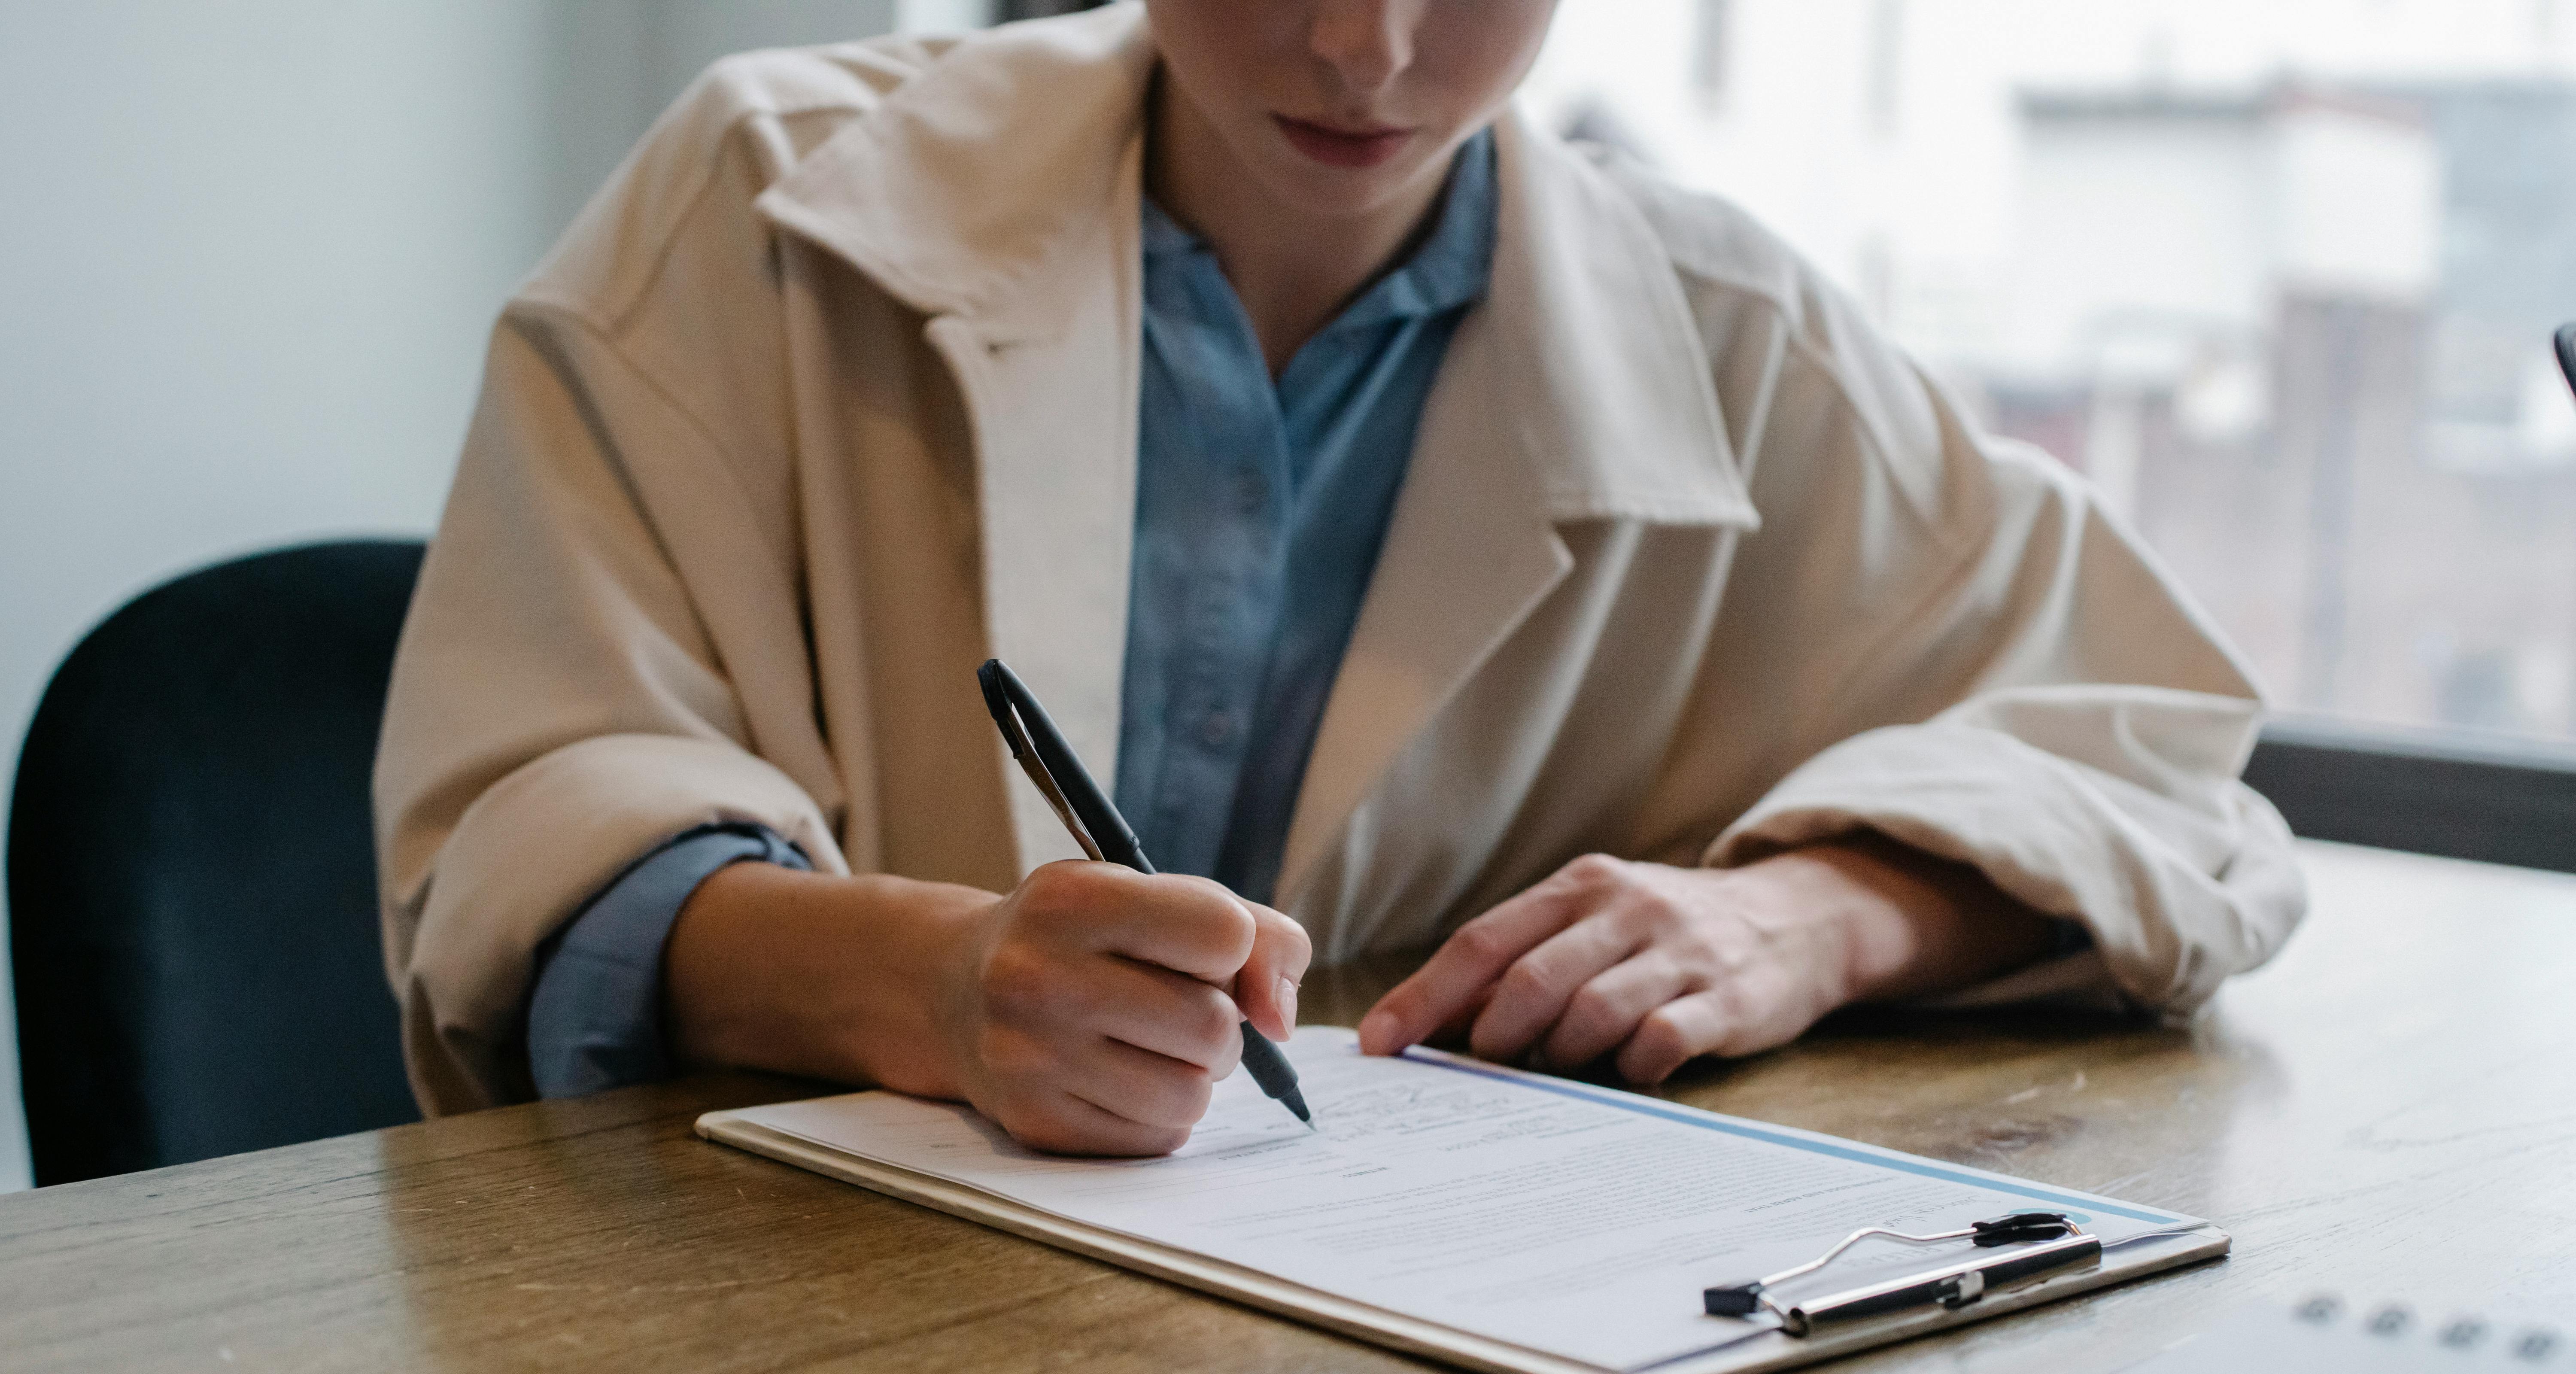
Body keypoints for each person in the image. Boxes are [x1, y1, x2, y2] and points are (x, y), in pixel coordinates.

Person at [374, 0, 2305, 1156]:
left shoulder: (1738, 343)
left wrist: (1811, 918)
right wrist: (938, 988)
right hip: (779, 1360)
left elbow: (2172, 779)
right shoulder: (760, 200)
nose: (1368, 51)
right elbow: (530, 834)